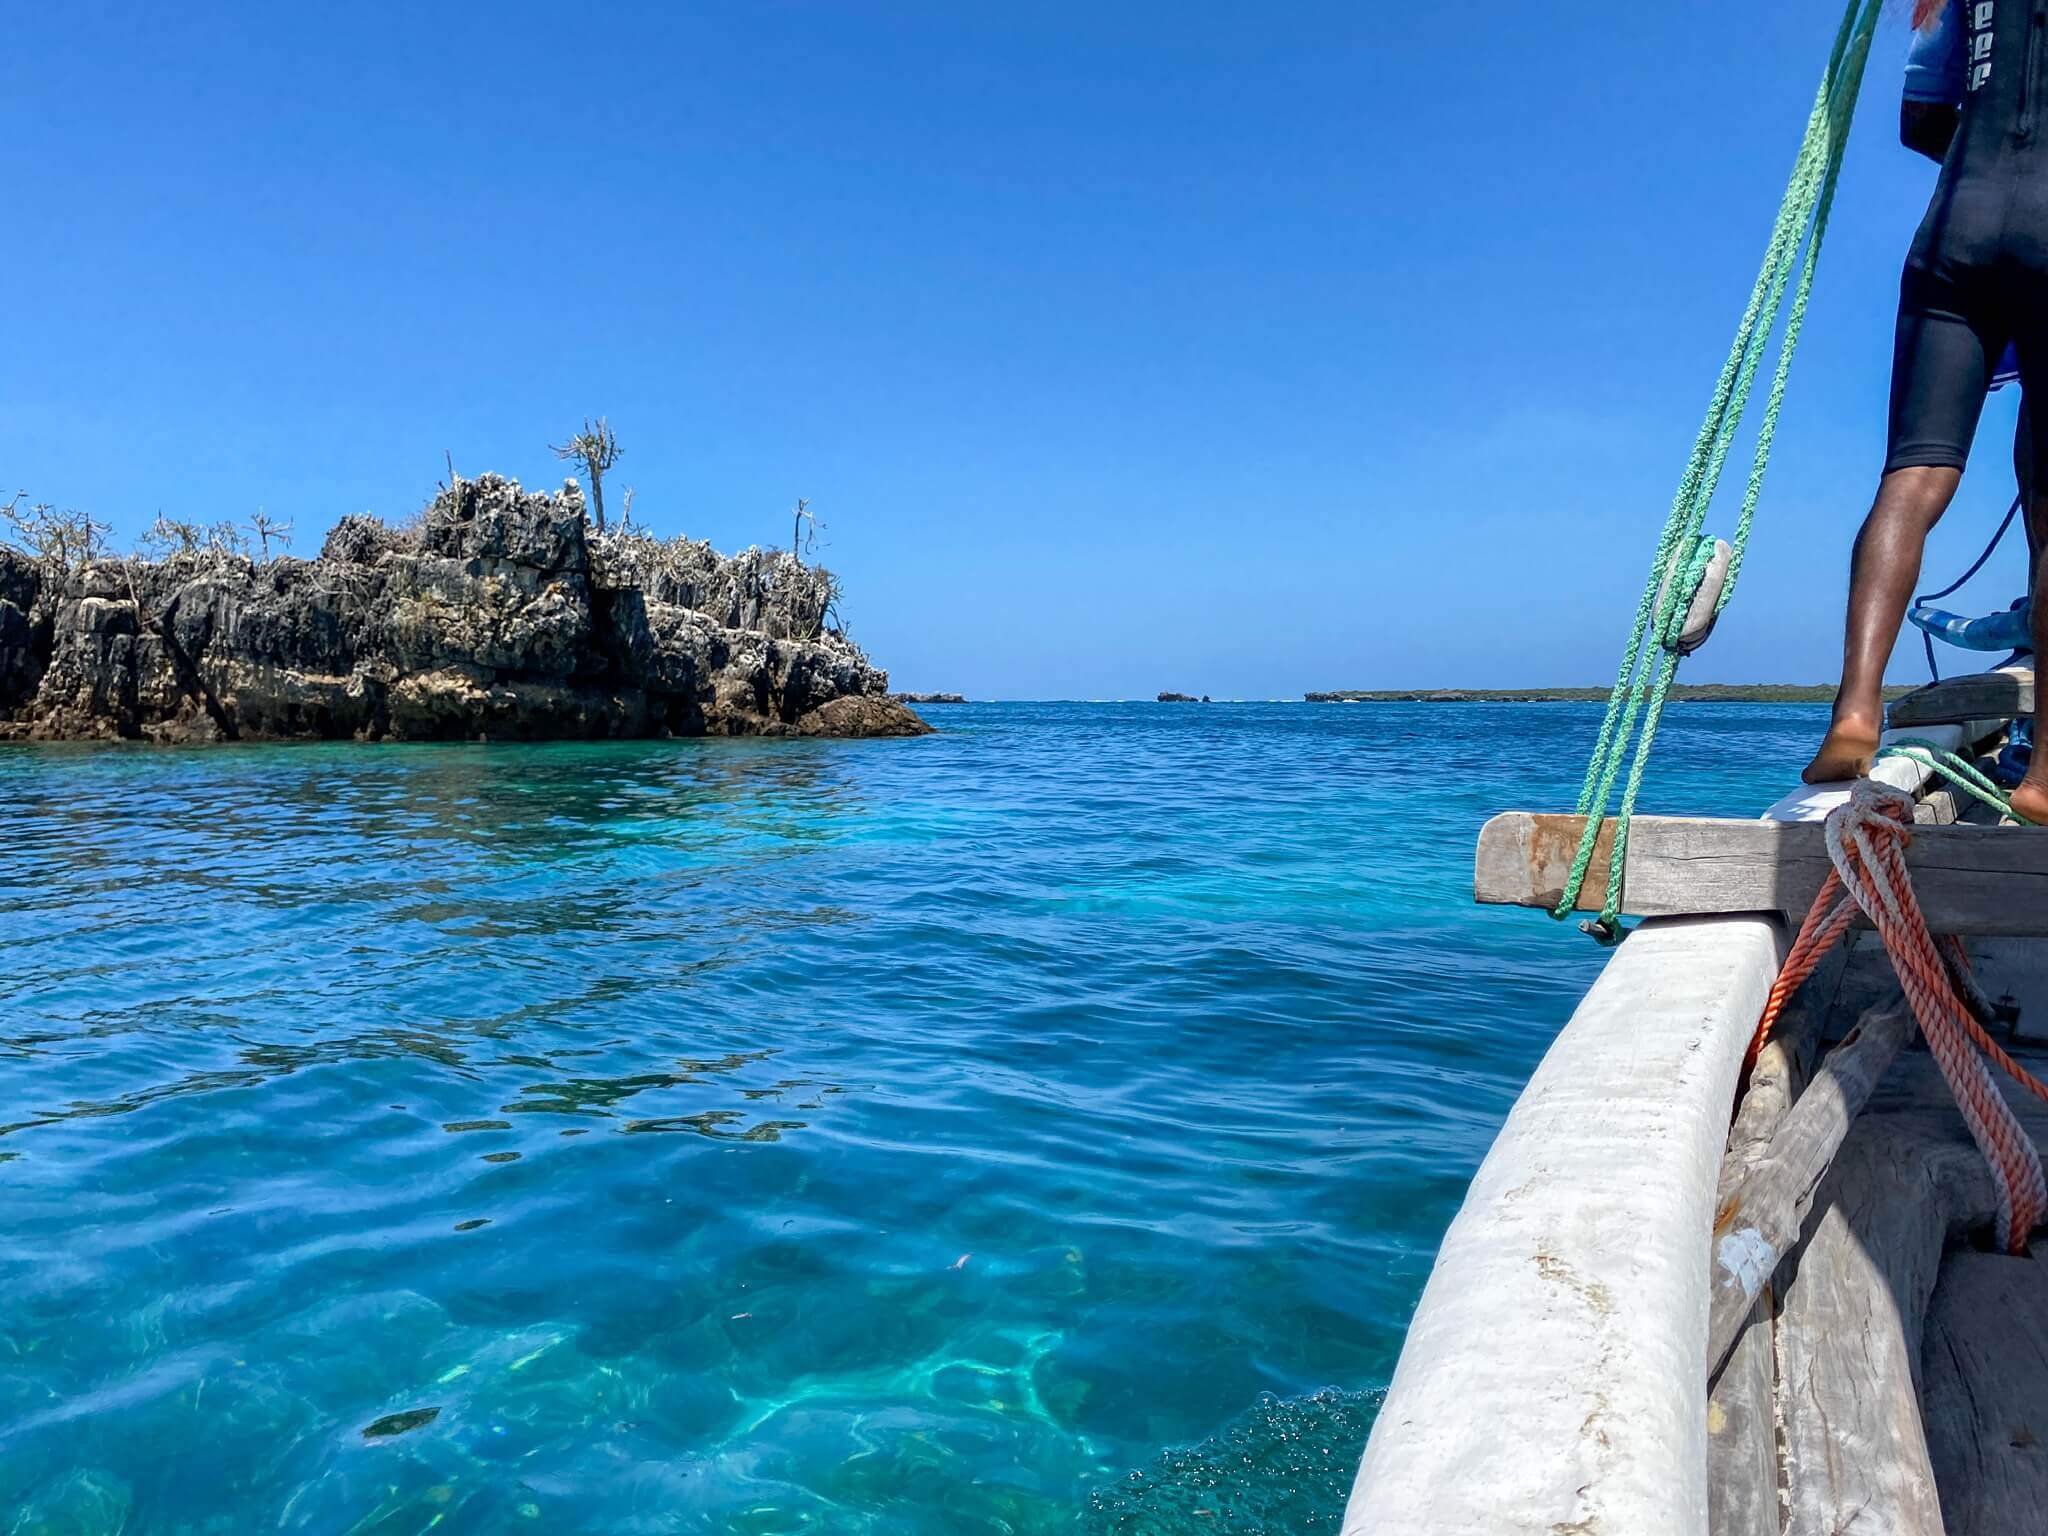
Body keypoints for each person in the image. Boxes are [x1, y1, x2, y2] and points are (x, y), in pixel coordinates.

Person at [1803, 0, 2048, 823]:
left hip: (1958, 223)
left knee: (1912, 477)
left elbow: (1920, 120)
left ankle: (1856, 709)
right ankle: (2045, 770)